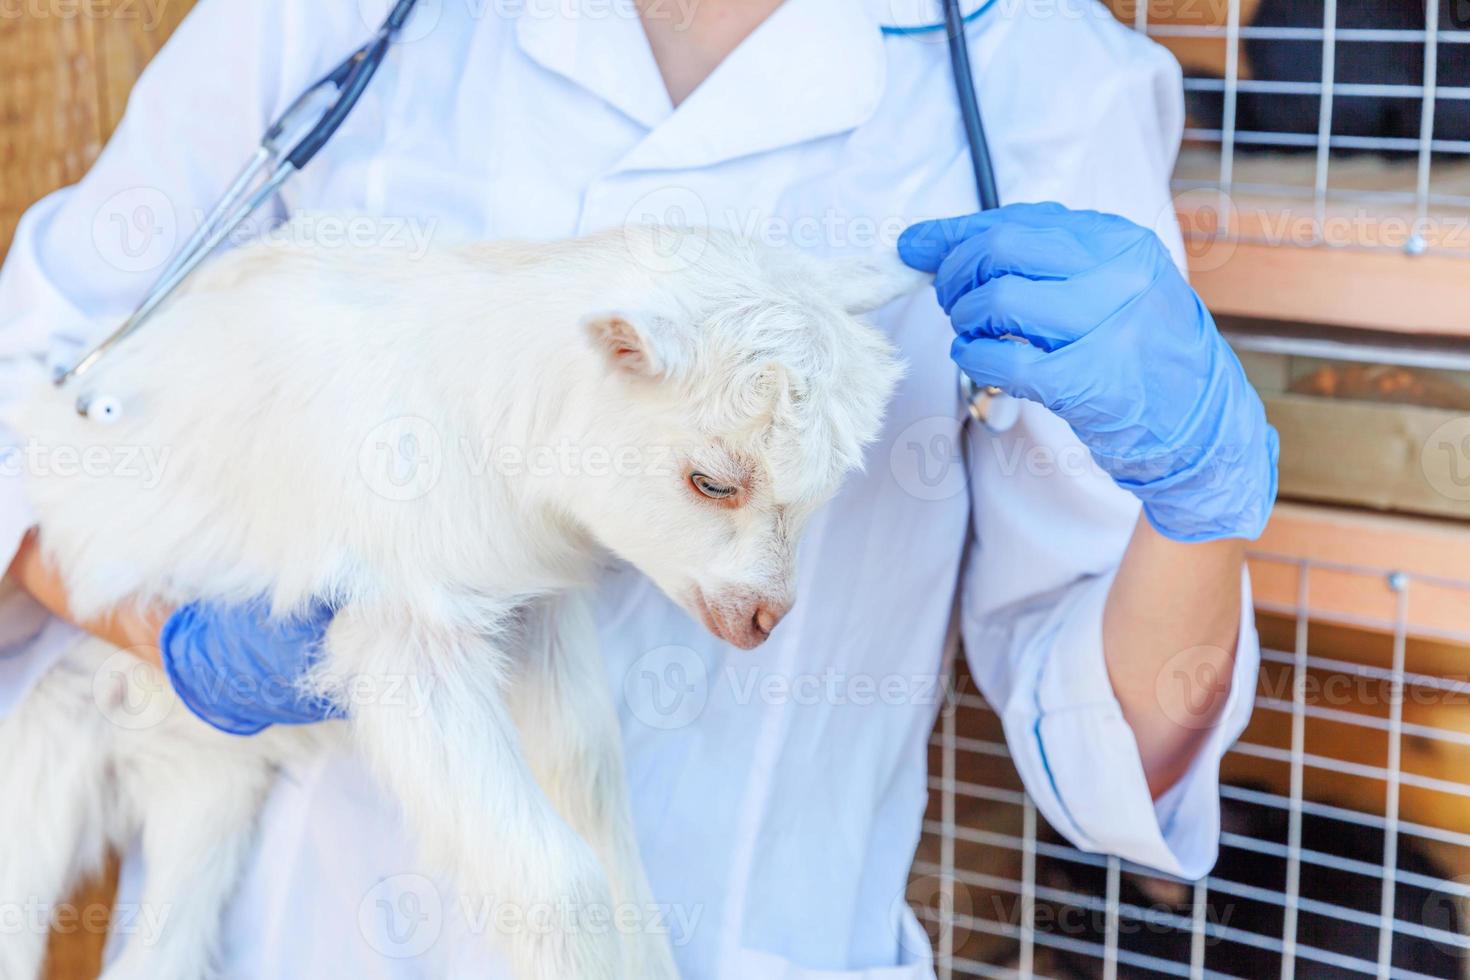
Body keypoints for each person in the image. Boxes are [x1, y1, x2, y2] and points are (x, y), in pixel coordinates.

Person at [0, 0, 1278, 976]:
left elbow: (1110, 736)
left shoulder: (1038, 82)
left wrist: (1198, 504)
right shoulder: (334, 16)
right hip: (305, 930)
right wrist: (168, 624)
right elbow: (31, 391)